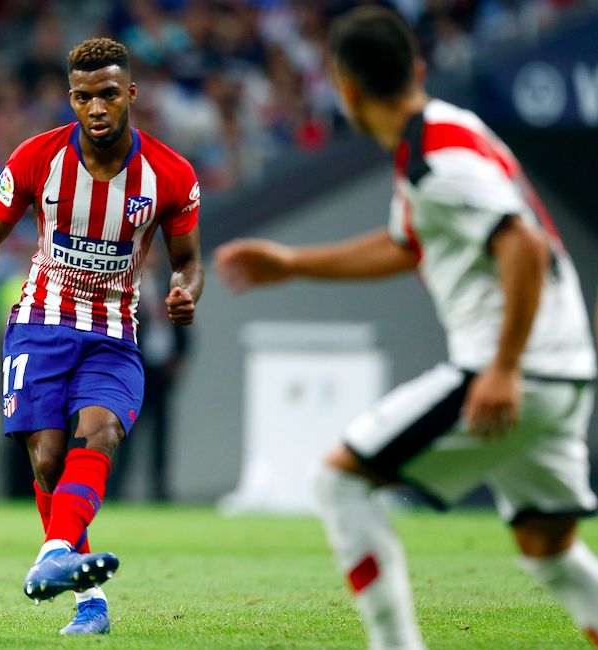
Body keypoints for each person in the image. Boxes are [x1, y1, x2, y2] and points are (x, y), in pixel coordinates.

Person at [215, 7, 598, 649]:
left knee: (339, 481)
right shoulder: (451, 128)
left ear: (345, 88)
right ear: (417, 69)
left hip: (513, 371)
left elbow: (523, 246)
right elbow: (407, 243)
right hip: (566, 370)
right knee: (549, 548)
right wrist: (294, 263)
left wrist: (503, 367)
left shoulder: (434, 163)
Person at [0, 37, 203, 636]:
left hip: (115, 332)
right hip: (40, 323)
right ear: (71, 98)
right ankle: (89, 601)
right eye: (83, 97)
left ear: (130, 92)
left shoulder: (171, 174)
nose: (97, 108)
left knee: (101, 431)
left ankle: (55, 557)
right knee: (49, 462)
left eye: (108, 94)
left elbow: (188, 259)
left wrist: (185, 289)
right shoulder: (37, 158)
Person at [108, 242, 190, 502]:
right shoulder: (125, 288)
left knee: (160, 432)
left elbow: (184, 324)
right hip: (135, 368)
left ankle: (159, 488)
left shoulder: (170, 286)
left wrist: (179, 355)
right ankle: (117, 489)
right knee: (126, 431)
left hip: (161, 370)